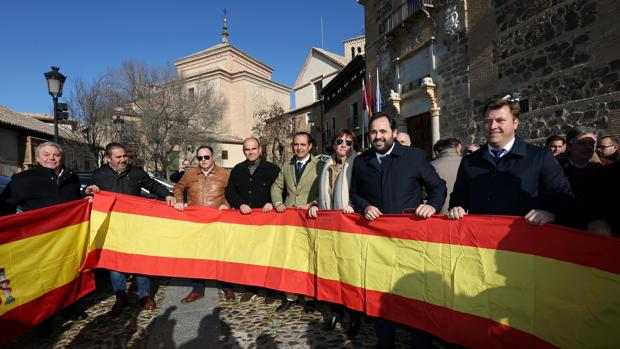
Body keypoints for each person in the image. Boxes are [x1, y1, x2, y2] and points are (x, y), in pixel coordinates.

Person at [350, 112, 446, 349]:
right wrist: (365, 206)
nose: (378, 136)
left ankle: (421, 344)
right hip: (377, 241)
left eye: (383, 131)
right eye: (373, 132)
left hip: (410, 240)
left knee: (414, 294)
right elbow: (355, 193)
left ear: (393, 133)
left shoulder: (414, 157)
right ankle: (385, 343)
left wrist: (432, 206)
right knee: (381, 293)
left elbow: (438, 187)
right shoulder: (362, 162)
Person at [1, 141, 93, 326]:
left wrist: (86, 198)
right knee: (42, 278)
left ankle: (70, 307)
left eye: (56, 155)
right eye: (46, 155)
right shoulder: (23, 179)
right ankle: (45, 317)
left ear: (61, 157)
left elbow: (74, 201)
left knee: (68, 273)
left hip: (67, 238)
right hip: (40, 240)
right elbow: (6, 206)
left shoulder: (71, 177)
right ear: (37, 158)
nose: (52, 158)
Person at [448, 98, 573, 226]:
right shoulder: (469, 161)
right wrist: (457, 208)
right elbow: (458, 197)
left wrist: (550, 212)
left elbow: (562, 195)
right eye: (487, 121)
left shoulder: (540, 157)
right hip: (481, 240)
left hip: (524, 239)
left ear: (515, 123)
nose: (492, 126)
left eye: (500, 120)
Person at [87, 142, 176, 315]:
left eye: (124, 156)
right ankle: (121, 297)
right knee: (115, 263)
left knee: (140, 260)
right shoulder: (99, 174)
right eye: (118, 157)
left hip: (135, 226)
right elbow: (90, 190)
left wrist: (168, 194)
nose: (123, 160)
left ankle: (144, 296)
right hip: (112, 227)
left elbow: (152, 185)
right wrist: (91, 191)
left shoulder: (136, 172)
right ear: (108, 158)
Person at [307, 129, 362, 337]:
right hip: (330, 228)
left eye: (349, 142)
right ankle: (335, 312)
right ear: (334, 144)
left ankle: (355, 316)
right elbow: (323, 194)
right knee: (332, 272)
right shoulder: (327, 165)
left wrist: (353, 205)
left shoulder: (358, 164)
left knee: (350, 273)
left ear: (353, 146)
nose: (344, 145)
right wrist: (314, 204)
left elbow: (364, 190)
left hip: (350, 228)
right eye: (340, 141)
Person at [270, 131, 325, 313]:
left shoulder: (320, 165)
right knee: (290, 258)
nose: (299, 148)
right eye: (296, 144)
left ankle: (309, 297)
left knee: (308, 258)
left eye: (303, 144)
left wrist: (315, 202)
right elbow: (277, 186)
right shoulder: (287, 165)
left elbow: (326, 187)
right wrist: (278, 201)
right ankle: (290, 296)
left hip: (310, 218)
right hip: (290, 219)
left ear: (310, 146)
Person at [172, 145, 232, 303]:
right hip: (196, 221)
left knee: (220, 254)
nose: (203, 160)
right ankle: (198, 289)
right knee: (197, 256)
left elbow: (233, 192)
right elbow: (178, 188)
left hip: (217, 221)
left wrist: (228, 205)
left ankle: (227, 287)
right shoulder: (190, 173)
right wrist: (179, 201)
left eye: (206, 157)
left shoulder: (224, 174)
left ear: (213, 157)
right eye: (200, 158)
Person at [224, 137, 280, 303]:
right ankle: (251, 287)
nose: (251, 152)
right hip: (245, 221)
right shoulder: (237, 170)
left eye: (253, 149)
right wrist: (239, 204)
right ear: (244, 151)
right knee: (249, 255)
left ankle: (271, 290)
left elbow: (281, 190)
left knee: (268, 255)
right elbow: (230, 191)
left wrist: (273, 202)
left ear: (260, 150)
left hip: (267, 221)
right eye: (247, 149)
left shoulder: (272, 169)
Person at [559, 128, 604, 231]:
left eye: (591, 143)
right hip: (562, 225)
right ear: (569, 146)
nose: (588, 147)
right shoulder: (555, 169)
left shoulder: (602, 171)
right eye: (582, 143)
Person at [431, 138, 462, 214]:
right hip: (463, 213)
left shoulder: (431, 165)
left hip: (439, 213)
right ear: (458, 147)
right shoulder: (467, 163)